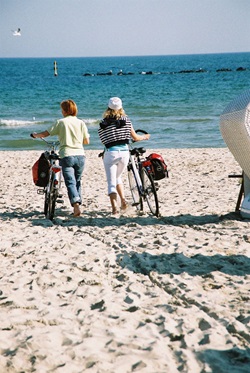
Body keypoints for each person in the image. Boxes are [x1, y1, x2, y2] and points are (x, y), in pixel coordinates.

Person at [31, 99, 90, 217]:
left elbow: (46, 133)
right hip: (80, 156)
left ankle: (76, 205)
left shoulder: (61, 122)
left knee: (70, 182)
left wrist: (36, 135)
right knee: (77, 181)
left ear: (64, 111)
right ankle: (78, 201)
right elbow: (86, 141)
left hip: (67, 155)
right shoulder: (81, 123)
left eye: (62, 109)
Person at [98, 97, 150, 216]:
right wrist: (145, 137)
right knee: (118, 177)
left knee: (111, 182)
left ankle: (114, 209)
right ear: (121, 107)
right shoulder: (126, 120)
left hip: (110, 153)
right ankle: (123, 202)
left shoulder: (103, 123)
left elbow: (103, 141)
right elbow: (135, 137)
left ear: (108, 108)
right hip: (124, 153)